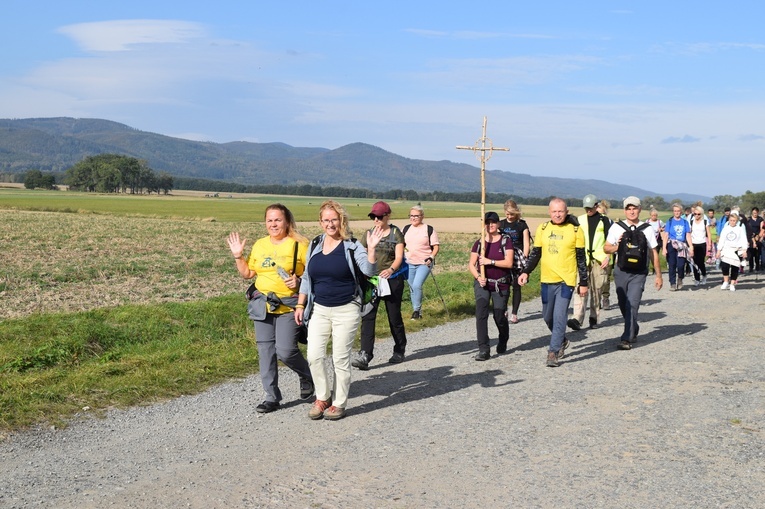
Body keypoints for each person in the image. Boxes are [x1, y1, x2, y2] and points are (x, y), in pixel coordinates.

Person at [294, 200, 382, 420]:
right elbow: (306, 278)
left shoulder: (352, 245)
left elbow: (369, 270)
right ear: (320, 222)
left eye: (334, 219)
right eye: (326, 220)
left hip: (346, 309)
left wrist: (371, 250)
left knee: (339, 360)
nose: (330, 224)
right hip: (319, 309)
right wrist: (300, 304)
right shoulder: (315, 244)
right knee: (314, 356)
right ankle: (322, 397)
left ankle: (339, 403)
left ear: (341, 220)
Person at [226, 204, 314, 414]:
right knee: (265, 352)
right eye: (269, 220)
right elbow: (248, 274)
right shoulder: (260, 245)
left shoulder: (299, 245)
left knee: (285, 350)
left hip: (289, 305)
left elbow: (313, 275)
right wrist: (238, 256)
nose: (273, 224)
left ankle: (307, 375)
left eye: (277, 220)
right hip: (262, 305)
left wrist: (299, 281)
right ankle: (271, 397)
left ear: (287, 221)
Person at [518, 198, 588, 367]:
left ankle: (553, 352)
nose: (557, 214)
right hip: (547, 279)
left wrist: (583, 282)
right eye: (554, 211)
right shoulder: (543, 228)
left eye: (561, 211)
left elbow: (581, 259)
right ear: (549, 212)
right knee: (547, 316)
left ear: (567, 212)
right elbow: (536, 254)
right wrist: (525, 272)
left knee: (559, 316)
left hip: (566, 281)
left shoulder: (576, 230)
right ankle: (562, 340)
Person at [352, 201, 409, 369]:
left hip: (392, 279)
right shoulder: (368, 234)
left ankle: (399, 349)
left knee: (394, 316)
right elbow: (361, 253)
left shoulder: (396, 233)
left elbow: (399, 257)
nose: (376, 219)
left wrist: (391, 269)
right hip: (372, 280)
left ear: (387, 216)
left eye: (379, 216)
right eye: (373, 216)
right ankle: (365, 355)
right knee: (368, 316)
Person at [604, 196, 663, 350]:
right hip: (621, 271)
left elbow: (653, 252)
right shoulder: (617, 227)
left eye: (634, 208)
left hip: (639, 272)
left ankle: (626, 338)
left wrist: (658, 275)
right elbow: (606, 248)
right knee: (623, 304)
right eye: (628, 209)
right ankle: (633, 327)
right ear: (624, 210)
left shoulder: (647, 228)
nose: (632, 211)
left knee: (633, 303)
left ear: (639, 209)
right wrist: (620, 246)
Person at [469, 211, 514, 360]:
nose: (490, 225)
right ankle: (484, 349)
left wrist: (490, 261)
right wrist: (478, 276)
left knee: (499, 315)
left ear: (498, 224)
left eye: (493, 222)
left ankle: (503, 337)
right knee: (481, 314)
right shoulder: (479, 243)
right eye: (487, 223)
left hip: (501, 284)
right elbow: (471, 264)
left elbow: (509, 263)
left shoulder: (505, 241)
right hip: (483, 284)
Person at [568, 194, 610, 330]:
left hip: (599, 259)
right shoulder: (579, 220)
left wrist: (608, 257)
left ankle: (594, 318)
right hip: (583, 258)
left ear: (596, 206)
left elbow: (610, 241)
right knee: (580, 288)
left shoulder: (605, 221)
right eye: (586, 208)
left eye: (591, 208)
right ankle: (577, 319)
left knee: (597, 289)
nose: (588, 210)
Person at [403, 205, 440, 320]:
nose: (413, 218)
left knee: (417, 285)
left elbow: (436, 247)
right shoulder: (405, 229)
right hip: (408, 263)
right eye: (411, 215)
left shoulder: (428, 229)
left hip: (424, 263)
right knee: (412, 287)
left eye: (416, 216)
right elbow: (400, 244)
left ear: (422, 216)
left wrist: (431, 257)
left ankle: (416, 311)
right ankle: (416, 311)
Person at [498, 199, 530, 324]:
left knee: (516, 286)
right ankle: (504, 309)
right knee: (504, 285)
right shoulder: (501, 224)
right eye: (507, 214)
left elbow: (526, 243)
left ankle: (514, 313)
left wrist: (525, 259)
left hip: (518, 258)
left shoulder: (522, 225)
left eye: (512, 214)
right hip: (505, 257)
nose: (509, 216)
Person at [663, 203, 693, 291]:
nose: (676, 213)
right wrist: (664, 248)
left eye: (678, 211)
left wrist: (691, 246)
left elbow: (688, 235)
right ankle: (672, 283)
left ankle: (680, 278)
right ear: (673, 212)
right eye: (675, 211)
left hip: (682, 245)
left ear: (681, 212)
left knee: (681, 265)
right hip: (671, 245)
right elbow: (666, 235)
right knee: (672, 264)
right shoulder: (670, 222)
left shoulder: (684, 222)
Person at [715, 210, 748, 291]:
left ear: (736, 221)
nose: (732, 222)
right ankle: (726, 281)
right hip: (726, 249)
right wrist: (719, 250)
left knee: (735, 267)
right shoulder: (725, 229)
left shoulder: (740, 229)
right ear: (729, 220)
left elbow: (744, 240)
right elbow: (722, 240)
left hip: (736, 250)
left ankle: (732, 283)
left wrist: (744, 250)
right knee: (725, 266)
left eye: (734, 221)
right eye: (731, 220)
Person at [597, 200, 614, 309]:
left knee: (606, 278)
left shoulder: (610, 223)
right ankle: (596, 299)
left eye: (602, 213)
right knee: (595, 279)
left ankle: (605, 297)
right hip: (594, 254)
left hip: (607, 253)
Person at [689, 206, 712, 286]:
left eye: (698, 214)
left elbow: (708, 233)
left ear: (701, 214)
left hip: (702, 244)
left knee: (701, 262)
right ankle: (697, 279)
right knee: (694, 262)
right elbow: (689, 233)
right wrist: (689, 244)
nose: (697, 216)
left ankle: (704, 275)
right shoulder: (691, 222)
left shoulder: (705, 222)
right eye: (695, 214)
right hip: (693, 244)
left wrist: (709, 244)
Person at [746, 207, 763, 273]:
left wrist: (758, 236)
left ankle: (757, 266)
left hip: (757, 237)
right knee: (750, 253)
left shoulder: (760, 219)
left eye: (756, 213)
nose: (755, 214)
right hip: (750, 237)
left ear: (758, 212)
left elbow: (762, 228)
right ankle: (751, 267)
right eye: (753, 213)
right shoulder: (749, 219)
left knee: (757, 253)